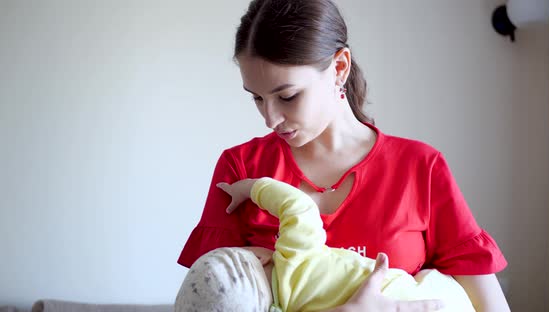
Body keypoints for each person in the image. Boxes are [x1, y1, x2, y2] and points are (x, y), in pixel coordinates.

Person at [176, 0, 510, 311]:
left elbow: (490, 304)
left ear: (339, 67)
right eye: (257, 99)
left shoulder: (420, 167)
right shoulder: (240, 170)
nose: (270, 118)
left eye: (287, 96)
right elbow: (207, 301)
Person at [216, 177, 476, 312]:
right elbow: (297, 206)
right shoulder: (295, 257)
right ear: (259, 259)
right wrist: (252, 188)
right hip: (434, 301)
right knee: (428, 278)